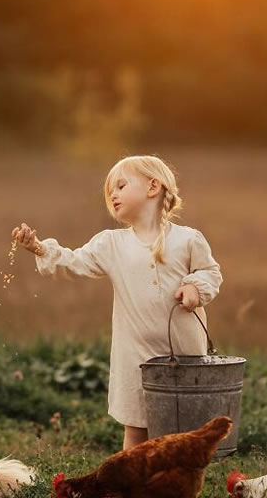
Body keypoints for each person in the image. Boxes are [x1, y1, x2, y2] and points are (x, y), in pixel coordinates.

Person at [12, 154, 222, 453]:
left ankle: (174, 493)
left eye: (121, 186)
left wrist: (194, 287)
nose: (113, 194)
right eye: (111, 190)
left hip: (185, 354)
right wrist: (38, 247)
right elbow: (73, 262)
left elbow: (211, 272)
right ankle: (131, 489)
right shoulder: (111, 244)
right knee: (137, 430)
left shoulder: (188, 240)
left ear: (153, 187)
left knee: (181, 431)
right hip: (135, 357)